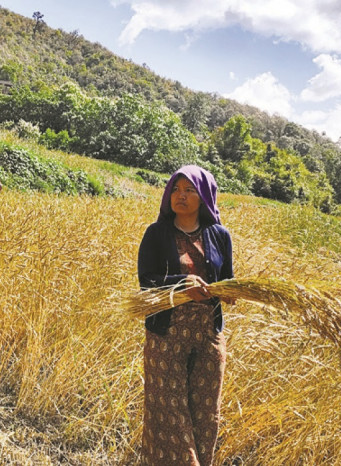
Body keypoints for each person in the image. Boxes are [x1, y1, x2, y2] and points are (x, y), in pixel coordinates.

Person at [137, 165, 234, 466]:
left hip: (208, 337)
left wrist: (229, 293)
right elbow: (146, 281)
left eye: (189, 190)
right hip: (167, 337)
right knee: (171, 417)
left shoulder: (220, 236)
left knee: (205, 419)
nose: (180, 196)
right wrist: (181, 284)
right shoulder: (157, 233)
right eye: (176, 190)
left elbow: (228, 281)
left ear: (204, 197)